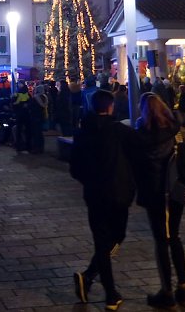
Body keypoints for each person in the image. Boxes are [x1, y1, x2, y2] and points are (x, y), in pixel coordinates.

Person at [69, 90, 135, 310]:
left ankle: (89, 276)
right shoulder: (121, 132)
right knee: (116, 236)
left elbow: (75, 168)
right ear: (110, 107)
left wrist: (89, 180)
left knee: (103, 240)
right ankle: (109, 294)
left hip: (95, 194)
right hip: (119, 193)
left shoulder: (82, 133)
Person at [130, 93, 185, 308]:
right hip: (175, 189)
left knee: (161, 240)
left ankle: (167, 291)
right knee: (174, 236)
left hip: (155, 192)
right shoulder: (174, 130)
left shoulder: (141, 135)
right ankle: (182, 287)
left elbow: (136, 166)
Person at [13, 82, 32, 152]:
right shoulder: (26, 93)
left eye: (20, 84)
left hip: (22, 113)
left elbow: (14, 102)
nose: (19, 85)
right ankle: (26, 146)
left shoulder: (19, 93)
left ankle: (21, 146)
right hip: (24, 114)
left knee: (21, 130)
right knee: (25, 130)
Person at [28, 84, 47, 154]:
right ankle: (41, 148)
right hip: (42, 117)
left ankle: (36, 148)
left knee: (36, 133)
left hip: (35, 117)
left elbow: (31, 107)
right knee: (40, 133)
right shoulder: (45, 97)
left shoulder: (35, 98)